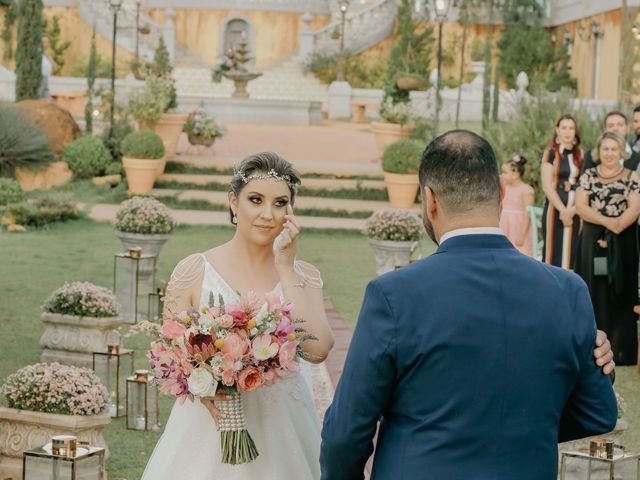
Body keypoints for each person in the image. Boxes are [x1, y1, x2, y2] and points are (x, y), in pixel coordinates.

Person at [320, 130, 618, 480]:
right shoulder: (568, 290)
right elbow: (597, 413)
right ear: (502, 192)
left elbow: (345, 433)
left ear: (430, 200)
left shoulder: (393, 294)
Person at [141, 152, 334, 480]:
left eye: (280, 203)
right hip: (209, 430)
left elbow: (318, 351)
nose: (267, 214)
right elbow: (168, 359)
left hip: (284, 428)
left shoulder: (304, 275)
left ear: (290, 210)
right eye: (255, 200)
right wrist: (208, 388)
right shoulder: (194, 270)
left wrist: (286, 267)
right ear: (233, 202)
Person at [574, 132, 640, 366]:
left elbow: (635, 207)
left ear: (621, 151)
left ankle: (622, 350)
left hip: (624, 241)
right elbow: (581, 207)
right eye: (605, 149)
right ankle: (593, 347)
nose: (609, 153)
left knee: (621, 290)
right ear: (598, 152)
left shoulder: (633, 176)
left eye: (614, 149)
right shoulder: (589, 175)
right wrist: (608, 223)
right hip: (593, 240)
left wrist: (618, 225)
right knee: (595, 290)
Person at [541, 114, 583, 269]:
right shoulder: (550, 153)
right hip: (554, 209)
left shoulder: (581, 155)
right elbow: (546, 186)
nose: (567, 131)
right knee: (553, 254)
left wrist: (573, 210)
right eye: (564, 127)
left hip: (576, 210)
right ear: (557, 130)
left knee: (573, 254)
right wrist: (563, 211)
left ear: (575, 131)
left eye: (571, 128)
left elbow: (585, 186)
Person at [499, 155, 535, 256]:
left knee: (519, 251)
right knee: (503, 252)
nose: (502, 175)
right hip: (504, 225)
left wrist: (522, 233)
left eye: (505, 172)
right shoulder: (504, 187)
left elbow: (527, 212)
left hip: (517, 226)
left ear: (515, 174)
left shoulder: (526, 190)